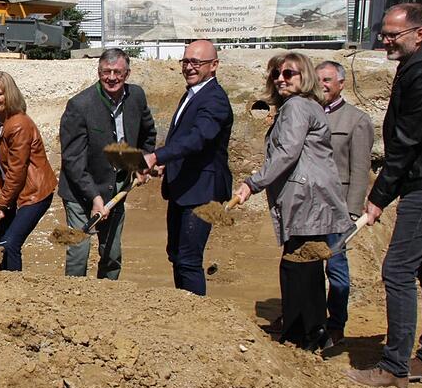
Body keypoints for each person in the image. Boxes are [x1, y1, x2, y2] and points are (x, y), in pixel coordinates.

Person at [345, 3, 422, 388]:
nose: (385, 41)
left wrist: (379, 196)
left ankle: (395, 365)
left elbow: (408, 142)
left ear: (419, 33)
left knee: (397, 271)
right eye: (383, 33)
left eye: (393, 35)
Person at [234, 52, 352, 351]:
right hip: (310, 197)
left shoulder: (297, 106)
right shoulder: (305, 105)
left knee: (297, 267)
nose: (281, 79)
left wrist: (252, 183)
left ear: (305, 77)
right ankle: (313, 333)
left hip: (306, 198)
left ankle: (302, 336)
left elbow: (286, 153)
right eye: (277, 74)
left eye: (289, 74)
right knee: (307, 266)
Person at [143, 39, 233, 295]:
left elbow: (197, 139)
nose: (189, 67)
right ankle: (184, 310)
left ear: (214, 65)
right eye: (186, 61)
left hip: (202, 193)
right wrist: (166, 165)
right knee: (176, 255)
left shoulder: (215, 99)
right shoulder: (194, 93)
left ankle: (197, 316)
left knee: (189, 260)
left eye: (197, 62)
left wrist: (157, 157)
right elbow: (184, 140)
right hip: (183, 188)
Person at [59, 48, 156, 279]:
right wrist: (94, 197)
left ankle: (108, 299)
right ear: (98, 72)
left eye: (117, 72)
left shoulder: (137, 97)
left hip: (116, 187)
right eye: (106, 72)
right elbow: (73, 159)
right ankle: (73, 298)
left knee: (112, 252)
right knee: (79, 250)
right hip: (80, 190)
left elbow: (148, 134)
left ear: (127, 73)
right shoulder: (80, 106)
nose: (112, 77)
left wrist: (141, 164)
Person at [316, 60, 374, 346]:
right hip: (308, 205)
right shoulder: (308, 113)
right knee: (306, 264)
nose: (322, 85)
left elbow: (360, 169)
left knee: (336, 267)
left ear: (341, 83)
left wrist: (352, 210)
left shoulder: (356, 120)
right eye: (318, 80)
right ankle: (308, 316)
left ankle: (336, 322)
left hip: (337, 206)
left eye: (327, 80)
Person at [0, 71, 57, 271]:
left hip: (34, 193)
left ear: (10, 95)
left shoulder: (18, 125)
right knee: (0, 244)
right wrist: (6, 199)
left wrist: (1, 204)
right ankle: (3, 285)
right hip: (15, 193)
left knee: (10, 244)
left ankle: (14, 290)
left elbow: (17, 170)